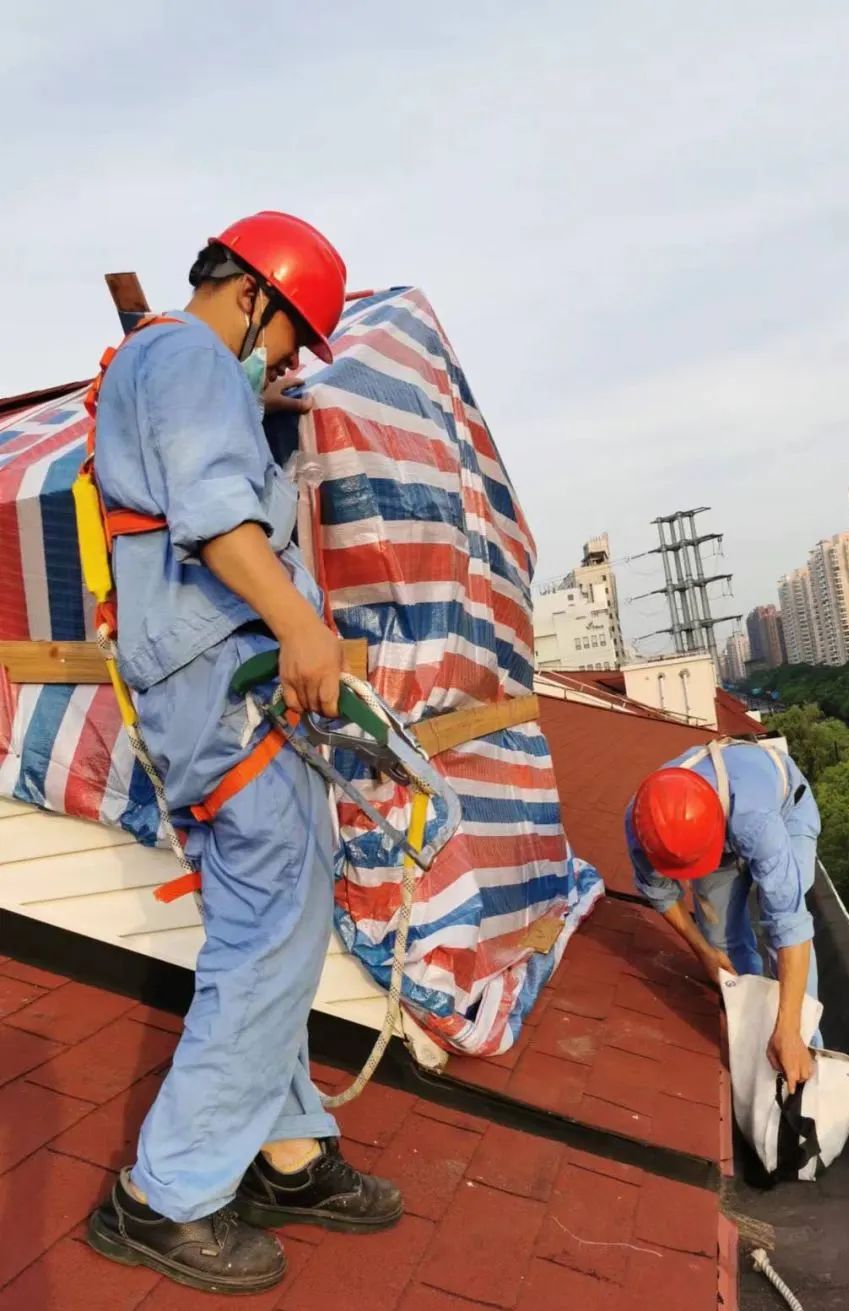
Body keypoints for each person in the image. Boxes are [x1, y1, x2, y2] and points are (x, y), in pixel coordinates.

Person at [85, 212, 401, 1297]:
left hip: (224, 690)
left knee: (278, 917)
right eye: (287, 339)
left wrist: (248, 409)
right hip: (223, 687)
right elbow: (218, 515)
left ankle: (286, 1151)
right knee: (269, 932)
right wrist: (306, 628)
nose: (281, 363)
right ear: (256, 296)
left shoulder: (184, 369)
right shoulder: (183, 354)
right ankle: (163, 1199)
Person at [626, 738, 821, 1095]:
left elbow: (789, 923)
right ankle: (757, 1032)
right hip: (713, 826)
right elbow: (659, 891)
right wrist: (702, 950)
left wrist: (790, 1030)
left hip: (786, 808)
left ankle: (804, 1047)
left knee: (783, 937)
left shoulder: (756, 822)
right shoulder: (644, 821)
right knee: (721, 942)